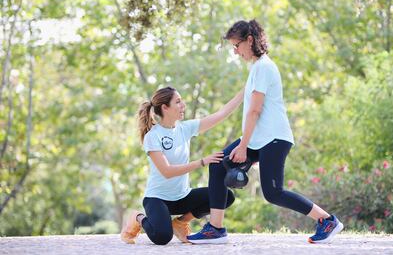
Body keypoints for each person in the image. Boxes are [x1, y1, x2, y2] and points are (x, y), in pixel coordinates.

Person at [187, 20, 344, 244]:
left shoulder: (263, 67)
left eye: (236, 45)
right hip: (259, 139)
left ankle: (326, 220)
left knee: (273, 193)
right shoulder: (256, 69)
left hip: (274, 139)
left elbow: (255, 111)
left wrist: (243, 147)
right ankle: (216, 228)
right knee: (217, 164)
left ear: (249, 40)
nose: (235, 51)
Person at [120, 86, 244, 245]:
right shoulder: (153, 136)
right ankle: (137, 218)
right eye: (178, 102)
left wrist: (244, 92)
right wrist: (202, 162)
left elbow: (221, 114)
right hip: (158, 199)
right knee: (162, 237)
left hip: (182, 196)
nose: (183, 105)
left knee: (226, 196)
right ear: (165, 107)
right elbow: (167, 172)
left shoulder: (185, 128)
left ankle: (179, 223)